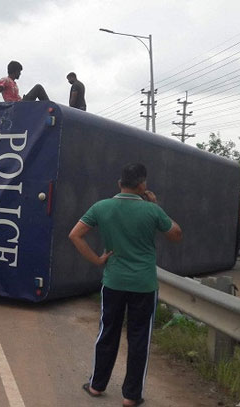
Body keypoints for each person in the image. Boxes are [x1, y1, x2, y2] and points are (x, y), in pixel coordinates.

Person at [68, 163, 182, 407]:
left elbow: (75, 235)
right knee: (139, 338)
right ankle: (131, 396)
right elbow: (176, 235)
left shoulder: (101, 207)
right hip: (144, 284)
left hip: (113, 282)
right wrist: (155, 206)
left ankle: (97, 386)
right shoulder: (151, 210)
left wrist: (97, 260)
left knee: (107, 333)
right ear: (142, 185)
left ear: (119, 183)